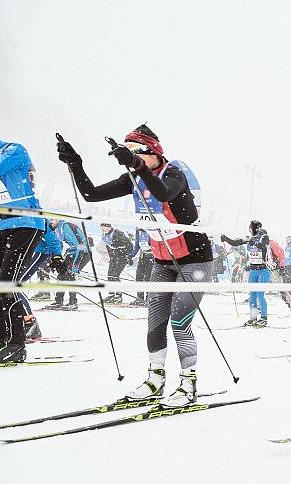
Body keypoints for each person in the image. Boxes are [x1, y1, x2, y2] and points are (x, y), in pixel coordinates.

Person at [56, 124, 213, 407]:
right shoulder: (134, 178)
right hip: (162, 260)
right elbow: (90, 194)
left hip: (195, 260)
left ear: (152, 152)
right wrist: (76, 164)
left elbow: (164, 194)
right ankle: (156, 379)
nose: (131, 159)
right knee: (154, 322)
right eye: (126, 154)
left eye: (136, 153)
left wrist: (137, 166)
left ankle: (188, 383)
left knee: (179, 322)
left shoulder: (173, 172)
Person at [0, 132, 45, 362]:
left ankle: (16, 345)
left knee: (5, 284)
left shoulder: (14, 150)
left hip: (26, 224)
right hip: (2, 226)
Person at [222, 220, 271, 327]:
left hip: (263, 270)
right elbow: (235, 243)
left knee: (260, 295)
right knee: (252, 295)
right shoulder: (249, 238)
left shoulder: (265, 237)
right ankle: (253, 318)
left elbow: (263, 246)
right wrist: (226, 239)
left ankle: (264, 318)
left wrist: (255, 242)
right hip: (253, 271)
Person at [99, 222, 133, 304]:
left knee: (115, 276)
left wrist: (128, 256)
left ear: (109, 227)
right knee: (110, 275)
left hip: (122, 257)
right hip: (114, 258)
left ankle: (118, 296)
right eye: (101, 227)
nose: (102, 229)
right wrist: (111, 257)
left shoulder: (117, 233)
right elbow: (108, 246)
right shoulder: (104, 235)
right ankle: (111, 294)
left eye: (103, 227)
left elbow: (129, 245)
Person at [132, 228, 154, 306]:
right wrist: (131, 255)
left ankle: (149, 298)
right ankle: (140, 298)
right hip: (143, 255)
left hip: (152, 255)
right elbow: (137, 244)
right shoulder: (138, 231)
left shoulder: (151, 230)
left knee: (148, 278)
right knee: (139, 277)